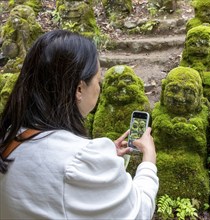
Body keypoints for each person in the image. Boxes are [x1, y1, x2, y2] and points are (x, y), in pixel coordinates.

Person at [0, 30, 158, 219]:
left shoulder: (8, 138)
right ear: (79, 89)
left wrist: (101, 159)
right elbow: (138, 212)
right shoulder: (80, 159)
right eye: (98, 80)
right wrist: (149, 160)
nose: (100, 88)